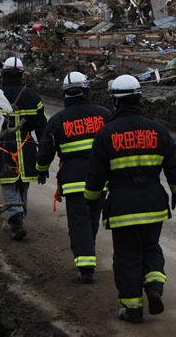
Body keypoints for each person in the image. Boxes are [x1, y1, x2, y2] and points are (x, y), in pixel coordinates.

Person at [84, 74, 176, 324]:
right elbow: (174, 167)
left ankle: (132, 308)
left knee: (127, 255)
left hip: (122, 206)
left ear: (115, 102)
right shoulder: (158, 130)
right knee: (151, 247)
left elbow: (96, 176)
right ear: (139, 98)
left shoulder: (105, 133)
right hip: (154, 203)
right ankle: (153, 284)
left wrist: (92, 201)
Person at [35, 71, 111, 284]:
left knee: (79, 223)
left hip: (74, 182)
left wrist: (41, 170)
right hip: (100, 180)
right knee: (92, 219)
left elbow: (45, 151)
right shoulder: (103, 114)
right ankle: (88, 255)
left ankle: (85, 266)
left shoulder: (58, 120)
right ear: (85, 90)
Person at [0, 57, 47, 241]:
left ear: (4, 74)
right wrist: (45, 153)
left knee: (9, 186)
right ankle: (19, 215)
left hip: (3, 148)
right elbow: (42, 128)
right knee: (23, 184)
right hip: (27, 149)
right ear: (22, 75)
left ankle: (16, 219)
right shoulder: (33, 97)